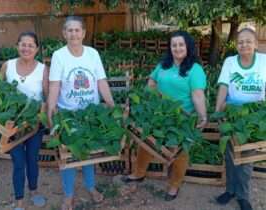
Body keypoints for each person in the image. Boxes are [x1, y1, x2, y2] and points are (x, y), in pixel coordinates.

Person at [122, 30, 207, 201]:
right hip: (159, 113)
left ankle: (174, 184)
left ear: (188, 47)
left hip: (181, 117)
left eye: (181, 44)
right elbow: (152, 82)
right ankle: (139, 173)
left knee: (179, 151)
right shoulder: (164, 65)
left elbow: (198, 95)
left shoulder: (195, 69)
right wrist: (146, 100)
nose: (177, 48)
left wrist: (202, 116)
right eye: (174, 45)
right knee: (145, 141)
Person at [47, 16, 114, 210]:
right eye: (70, 30)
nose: (74, 34)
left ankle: (91, 187)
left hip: (90, 114)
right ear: (64, 33)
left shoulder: (92, 54)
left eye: (77, 30)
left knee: (89, 153)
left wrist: (110, 103)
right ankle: (68, 195)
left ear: (84, 33)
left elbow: (101, 81)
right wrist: (52, 109)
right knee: (68, 155)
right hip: (69, 114)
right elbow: (54, 85)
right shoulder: (59, 55)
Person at [215, 28, 266, 210]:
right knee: (230, 155)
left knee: (246, 158)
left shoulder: (263, 61)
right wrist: (218, 112)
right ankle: (230, 190)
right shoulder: (230, 62)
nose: (244, 45)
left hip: (254, 116)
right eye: (240, 42)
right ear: (236, 45)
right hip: (232, 114)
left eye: (248, 41)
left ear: (256, 44)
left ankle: (243, 195)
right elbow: (223, 86)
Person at [1, 31, 49, 210]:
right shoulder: (8, 66)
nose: (26, 48)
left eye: (30, 45)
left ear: (36, 49)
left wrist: (44, 112)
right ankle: (19, 201)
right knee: (18, 163)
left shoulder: (43, 69)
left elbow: (46, 96)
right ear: (17, 46)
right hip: (12, 126)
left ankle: (34, 191)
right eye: (23, 44)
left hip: (34, 125)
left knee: (32, 160)